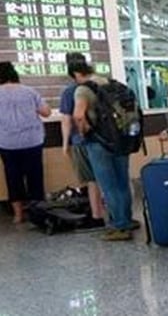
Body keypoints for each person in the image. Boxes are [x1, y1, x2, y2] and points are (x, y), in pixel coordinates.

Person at [71, 61, 135, 241]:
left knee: (108, 186)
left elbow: (78, 115)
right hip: (121, 140)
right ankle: (128, 220)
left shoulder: (83, 90)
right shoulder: (111, 83)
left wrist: (83, 131)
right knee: (123, 182)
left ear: (76, 74)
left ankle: (119, 226)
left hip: (99, 142)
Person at [0, 62, 50, 224]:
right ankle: (38, 213)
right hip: (32, 141)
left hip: (7, 142)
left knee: (13, 177)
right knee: (35, 176)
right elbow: (46, 112)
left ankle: (18, 215)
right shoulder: (30, 91)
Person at [60, 53, 105, 228]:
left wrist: (65, 144)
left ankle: (96, 216)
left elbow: (68, 119)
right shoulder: (103, 83)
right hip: (108, 140)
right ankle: (120, 216)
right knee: (111, 178)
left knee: (91, 179)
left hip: (83, 140)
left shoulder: (72, 90)